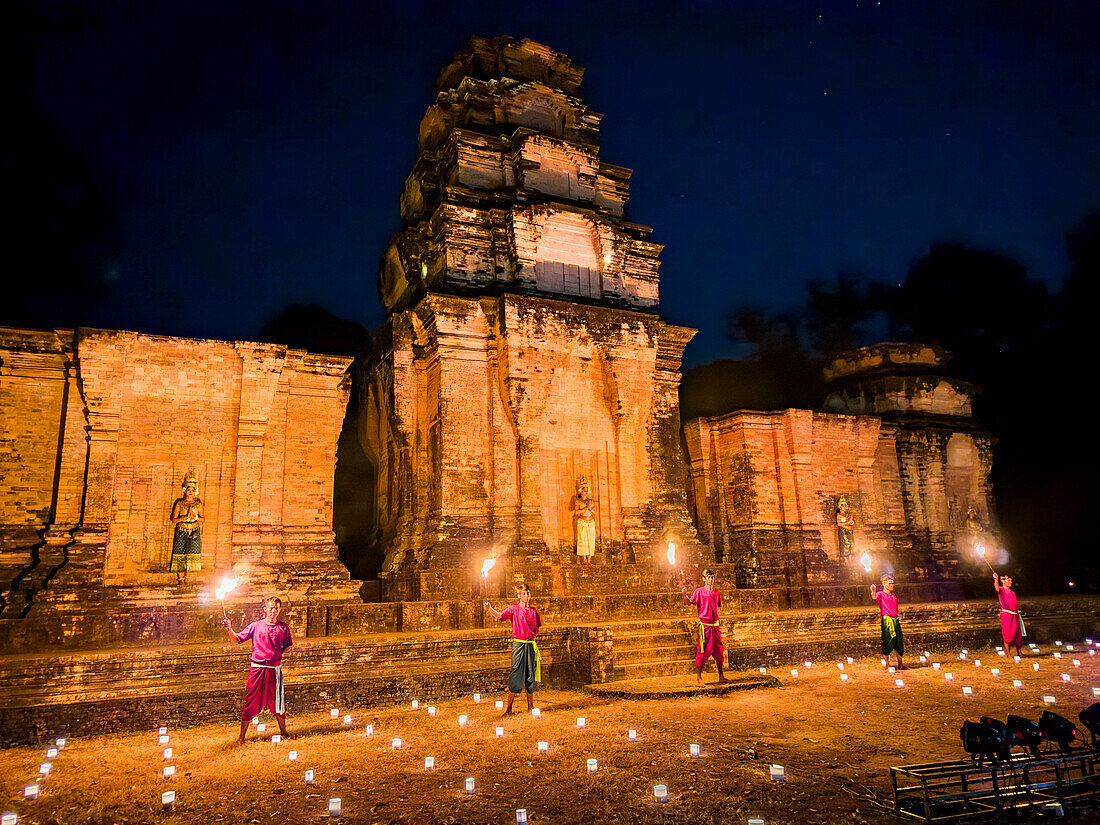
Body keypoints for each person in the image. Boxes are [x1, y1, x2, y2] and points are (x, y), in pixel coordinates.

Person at [223, 596, 293, 744]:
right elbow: (237, 639)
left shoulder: (283, 627)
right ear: (265, 609)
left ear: (279, 610)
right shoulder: (255, 626)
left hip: (274, 670)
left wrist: (277, 655)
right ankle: (242, 737)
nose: (273, 611)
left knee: (278, 702)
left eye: (276, 608)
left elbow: (287, 645)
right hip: (258, 668)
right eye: (271, 608)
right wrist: (229, 628)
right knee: (250, 701)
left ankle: (284, 732)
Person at [484, 583, 542, 714]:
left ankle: (530, 706)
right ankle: (509, 709)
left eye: (527, 593)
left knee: (530, 674)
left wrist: (531, 640)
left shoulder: (534, 611)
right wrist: (489, 609)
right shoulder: (514, 609)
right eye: (523, 594)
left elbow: (537, 629)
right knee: (516, 672)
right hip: (519, 644)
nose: (526, 596)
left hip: (530, 645)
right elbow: (499, 616)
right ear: (519, 596)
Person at [681, 569, 730, 686]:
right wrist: (685, 595)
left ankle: (721, 676)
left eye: (712, 577)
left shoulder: (716, 593)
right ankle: (699, 678)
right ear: (703, 579)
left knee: (719, 650)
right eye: (708, 577)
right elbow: (689, 603)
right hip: (705, 627)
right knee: (703, 650)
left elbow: (716, 606)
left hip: (715, 626)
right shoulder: (699, 591)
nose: (711, 580)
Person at [169, 470, 204, 583]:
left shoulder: (198, 504)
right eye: (189, 490)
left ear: (195, 492)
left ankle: (187, 578)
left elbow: (204, 519)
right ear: (185, 491)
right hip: (181, 530)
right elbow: (174, 520)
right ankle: (180, 578)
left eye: (193, 490)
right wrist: (182, 519)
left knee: (191, 554)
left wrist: (196, 518)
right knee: (179, 553)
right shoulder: (179, 503)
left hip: (194, 531)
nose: (190, 492)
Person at [870, 574, 905, 670]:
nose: (892, 585)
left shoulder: (893, 595)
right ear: (884, 584)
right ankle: (887, 663)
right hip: (887, 619)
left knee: (899, 641)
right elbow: (874, 597)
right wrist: (873, 590)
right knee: (889, 639)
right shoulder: (880, 594)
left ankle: (900, 664)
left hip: (895, 619)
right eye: (889, 583)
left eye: (892, 583)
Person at [993, 572, 1025, 656]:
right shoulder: (1001, 590)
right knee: (1007, 633)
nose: (1010, 582)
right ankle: (1008, 654)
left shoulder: (1012, 592)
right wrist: (996, 579)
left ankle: (1019, 652)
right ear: (1003, 581)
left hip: (1014, 615)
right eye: (1009, 580)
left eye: (1011, 580)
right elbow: (996, 588)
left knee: (1017, 634)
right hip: (1007, 615)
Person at [572, 478, 597, 564]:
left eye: (587, 491)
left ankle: (589, 559)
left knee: (591, 539)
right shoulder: (578, 501)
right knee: (582, 539)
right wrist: (586, 507)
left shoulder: (590, 501)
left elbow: (596, 512)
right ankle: (584, 559)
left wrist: (590, 508)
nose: (586, 492)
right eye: (584, 490)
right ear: (581, 492)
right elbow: (576, 512)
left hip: (590, 521)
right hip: (582, 521)